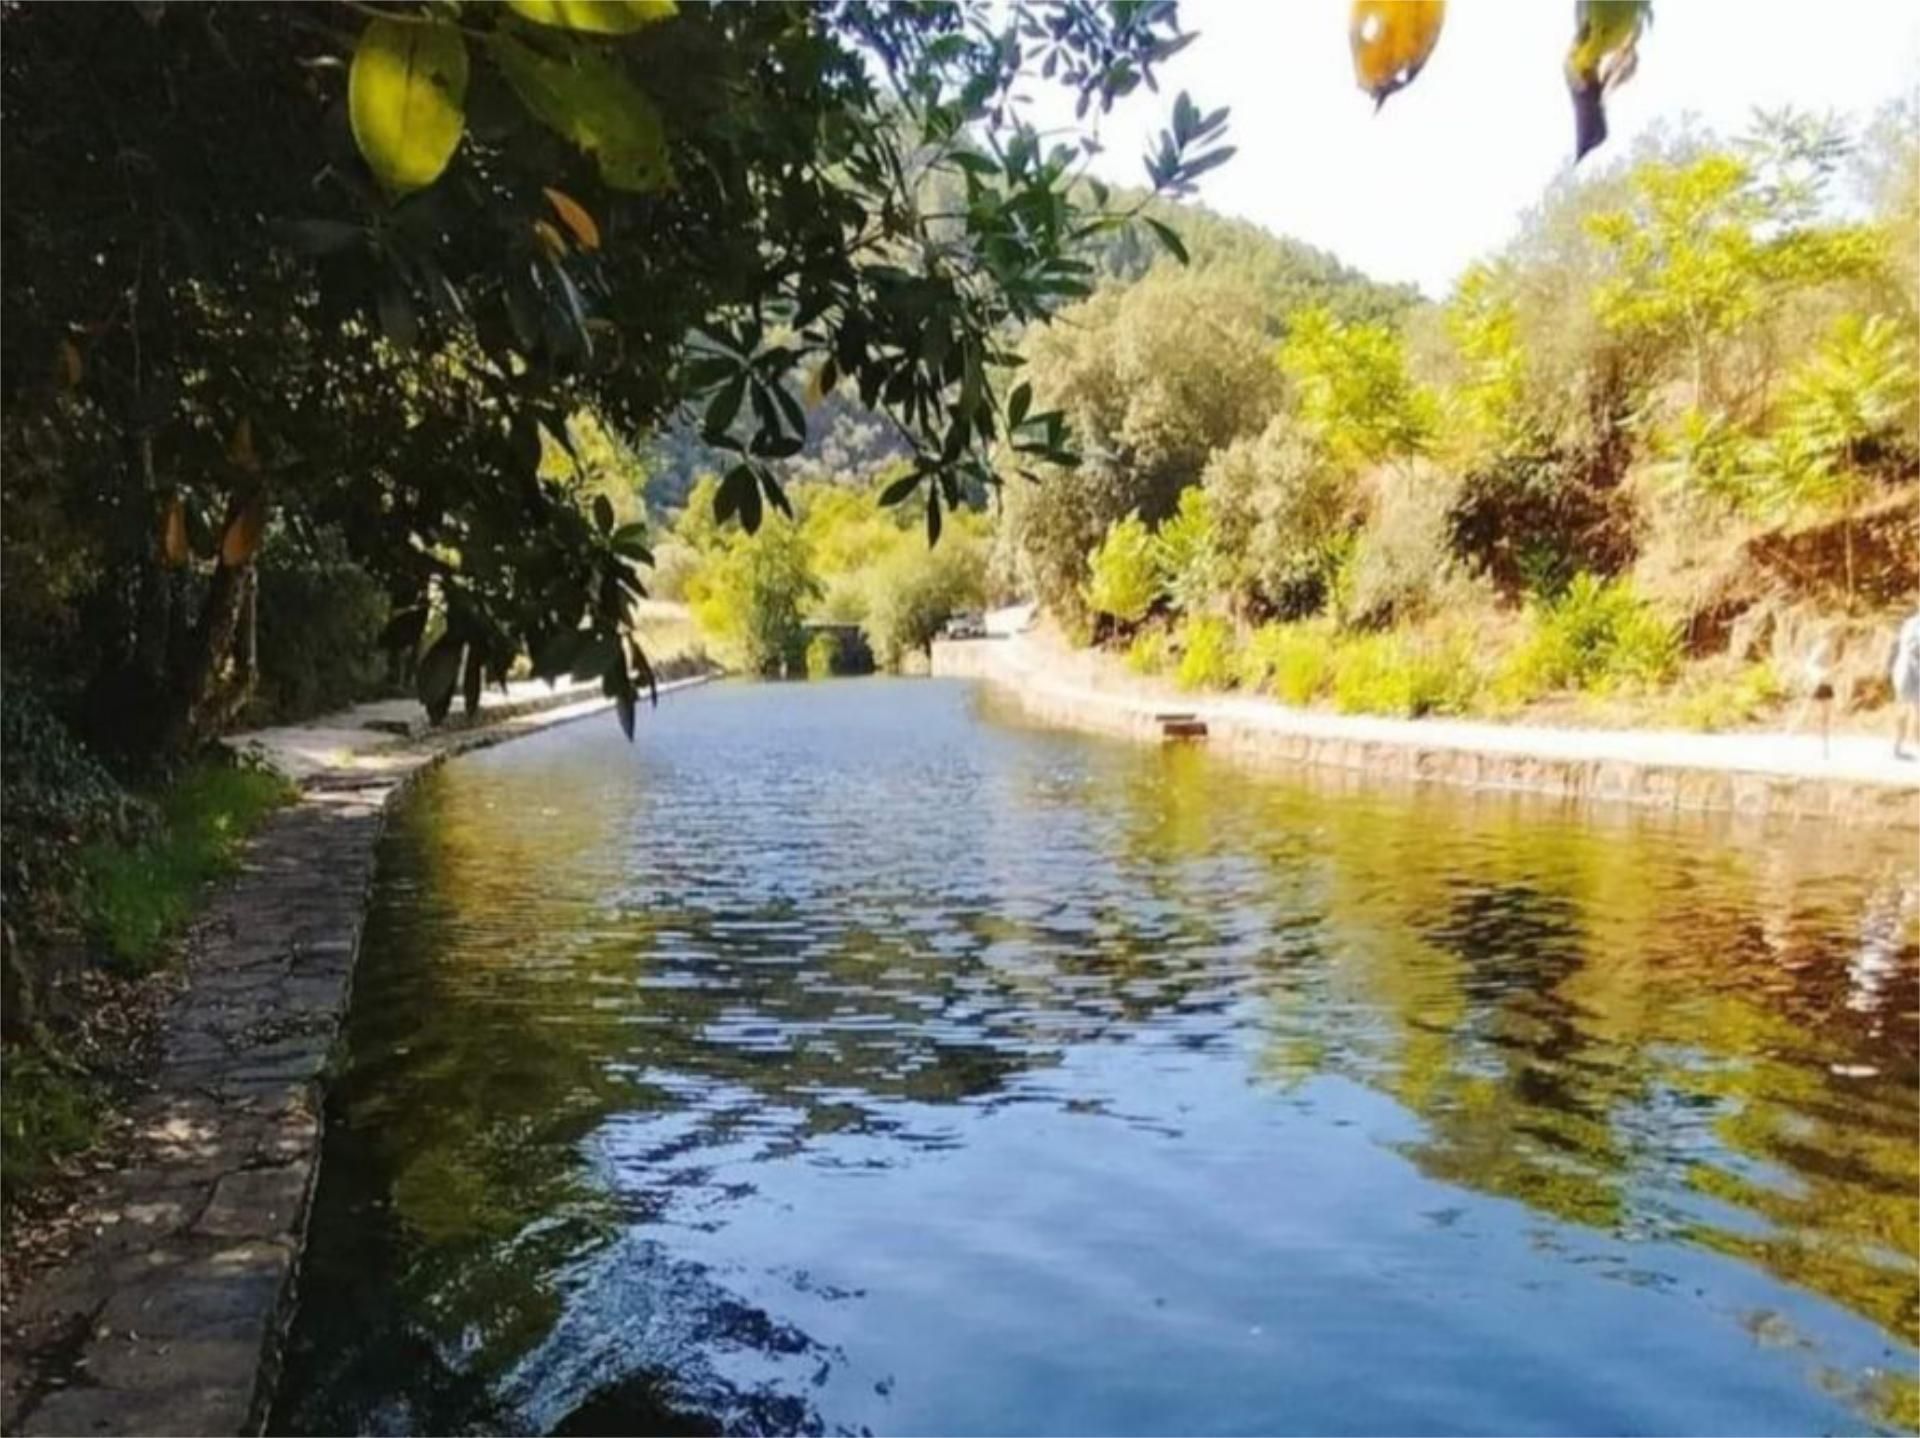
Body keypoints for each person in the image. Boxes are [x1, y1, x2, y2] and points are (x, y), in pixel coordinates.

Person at [1893, 608, 1920, 759]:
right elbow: (1913, 646)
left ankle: (1902, 745)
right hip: (1908, 671)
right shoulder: (1913, 624)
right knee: (1908, 709)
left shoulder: (1909, 623)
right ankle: (1898, 745)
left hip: (1908, 670)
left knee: (1914, 710)